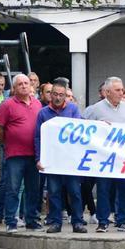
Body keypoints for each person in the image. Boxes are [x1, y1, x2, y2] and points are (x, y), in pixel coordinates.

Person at [83, 76, 125, 231]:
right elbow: (84, 130)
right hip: (103, 157)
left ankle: (123, 220)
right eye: (117, 90)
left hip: (123, 157)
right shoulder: (94, 109)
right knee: (104, 189)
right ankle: (103, 221)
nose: (121, 93)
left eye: (122, 90)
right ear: (107, 92)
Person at [34, 79, 85, 234]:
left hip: (70, 160)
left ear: (66, 96)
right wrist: (38, 158)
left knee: (75, 192)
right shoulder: (43, 113)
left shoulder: (73, 110)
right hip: (52, 160)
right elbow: (38, 137)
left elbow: (82, 129)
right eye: (54, 94)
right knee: (54, 192)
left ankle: (77, 221)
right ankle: (56, 222)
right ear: (50, 95)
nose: (57, 97)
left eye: (61, 95)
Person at [0, 74, 44, 232]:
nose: (24, 86)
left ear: (31, 86)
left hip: (34, 155)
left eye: (26, 83)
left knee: (33, 189)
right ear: (14, 88)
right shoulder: (7, 105)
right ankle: (10, 221)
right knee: (13, 189)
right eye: (20, 84)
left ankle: (31, 220)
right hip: (15, 154)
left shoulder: (37, 104)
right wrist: (9, 141)